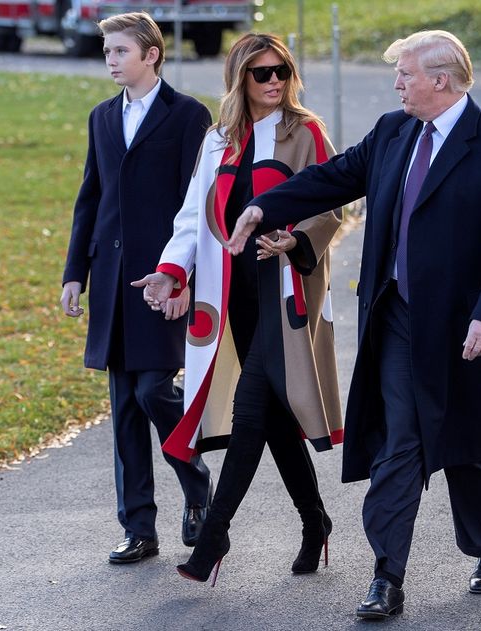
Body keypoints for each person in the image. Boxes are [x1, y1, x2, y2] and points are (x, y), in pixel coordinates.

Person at [227, 30, 481, 618]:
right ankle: (386, 576)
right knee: (401, 441)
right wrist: (263, 206)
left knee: (469, 442)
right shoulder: (394, 132)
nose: (396, 84)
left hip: (468, 325)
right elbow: (334, 177)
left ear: (441, 80)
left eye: (406, 75)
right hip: (397, 315)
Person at [132, 33, 343, 586]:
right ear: (240, 78)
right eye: (262, 73)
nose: (274, 82)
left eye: (282, 71)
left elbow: (331, 207)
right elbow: (192, 217)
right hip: (236, 301)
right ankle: (314, 521)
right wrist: (171, 270)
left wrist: (294, 241)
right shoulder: (218, 139)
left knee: (252, 410)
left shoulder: (306, 132)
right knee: (273, 419)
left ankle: (215, 536)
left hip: (286, 296)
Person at [60, 12, 212, 565]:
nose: (110, 58)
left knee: (154, 392)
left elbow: (195, 203)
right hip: (112, 282)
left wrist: (183, 278)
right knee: (124, 406)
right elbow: (90, 196)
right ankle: (139, 528)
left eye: (121, 50)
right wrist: (75, 272)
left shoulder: (189, 116)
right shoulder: (102, 117)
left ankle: (196, 483)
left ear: (151, 54)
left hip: (161, 280)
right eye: (107, 50)